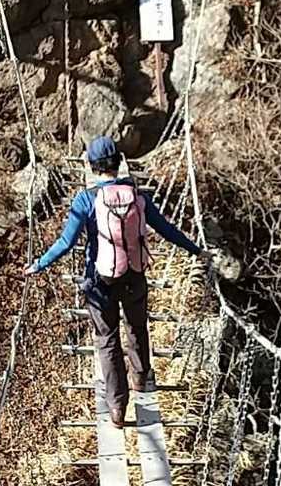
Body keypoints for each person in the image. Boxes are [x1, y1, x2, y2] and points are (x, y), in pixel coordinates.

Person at [26, 135, 207, 428]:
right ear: (119, 162)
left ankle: (117, 408)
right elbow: (166, 229)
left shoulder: (85, 200)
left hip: (100, 281)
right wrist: (196, 250)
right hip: (134, 275)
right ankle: (140, 377)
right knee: (136, 326)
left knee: (107, 340)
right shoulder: (138, 196)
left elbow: (66, 243)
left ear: (91, 166)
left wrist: (39, 264)